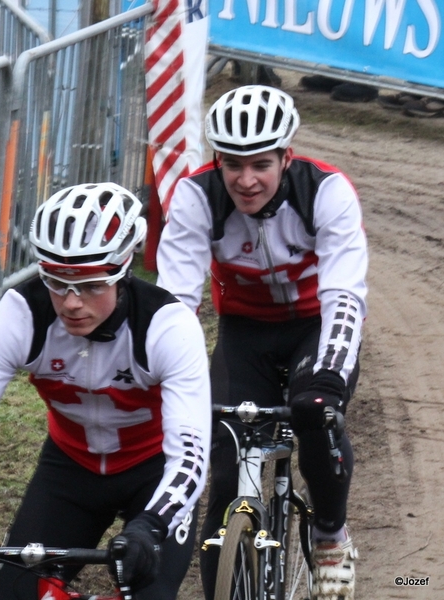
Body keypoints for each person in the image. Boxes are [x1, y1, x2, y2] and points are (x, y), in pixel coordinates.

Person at [0, 182, 212, 599]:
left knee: (148, 591)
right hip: (70, 468)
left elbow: (190, 454)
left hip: (154, 470)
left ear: (122, 271)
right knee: (18, 592)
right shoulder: (22, 315)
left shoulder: (167, 326)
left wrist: (150, 525)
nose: (72, 302)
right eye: (57, 282)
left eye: (91, 284)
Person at [156, 85, 367, 600]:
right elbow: (173, 305)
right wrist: (168, 378)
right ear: (217, 161)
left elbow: (344, 296)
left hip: (315, 326)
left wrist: (329, 376)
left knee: (313, 411)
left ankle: (330, 538)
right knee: (225, 475)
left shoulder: (325, 191)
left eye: (261, 164)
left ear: (286, 157)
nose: (246, 180)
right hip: (245, 332)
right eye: (233, 164)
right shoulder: (196, 196)